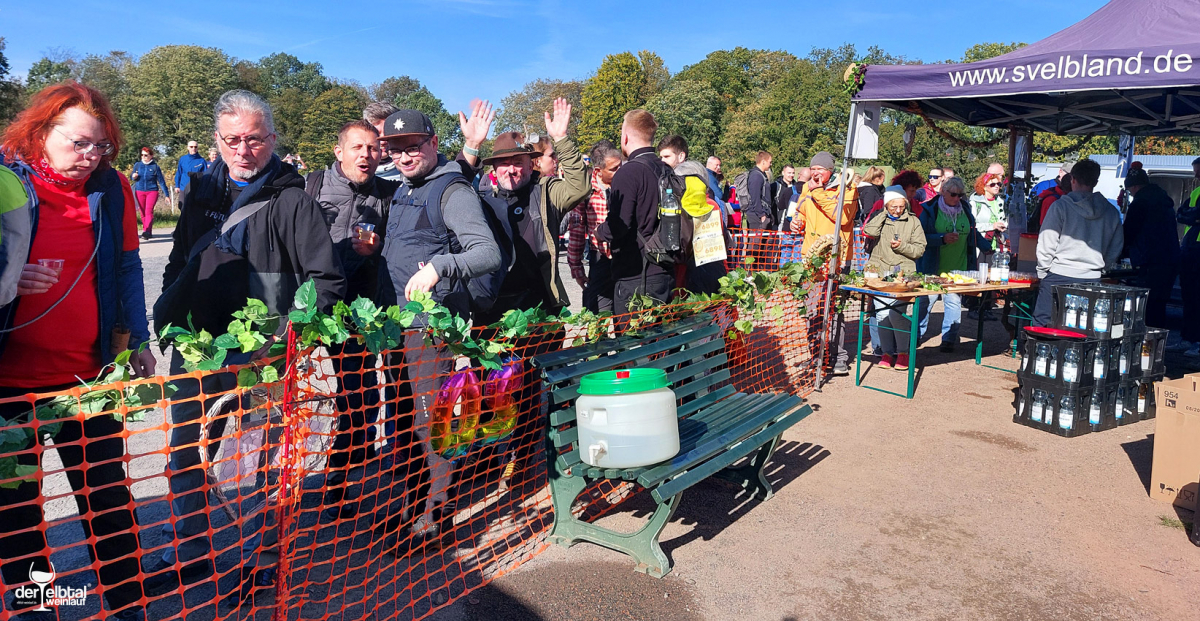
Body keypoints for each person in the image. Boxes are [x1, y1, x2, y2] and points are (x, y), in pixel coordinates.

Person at [150, 89, 347, 603]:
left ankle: (261, 556)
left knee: (261, 458)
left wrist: (282, 338)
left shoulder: (294, 200)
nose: (244, 149)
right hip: (197, 348)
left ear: (273, 140)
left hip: (264, 355)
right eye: (233, 139)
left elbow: (326, 281)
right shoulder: (200, 193)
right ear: (216, 140)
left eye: (255, 139)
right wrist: (171, 316)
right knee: (186, 451)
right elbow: (177, 261)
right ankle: (190, 549)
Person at [0, 81, 152, 621]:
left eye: (101, 145)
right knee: (17, 512)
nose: (91, 156)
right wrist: (9, 279)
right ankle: (38, 608)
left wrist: (138, 338)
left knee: (108, 501)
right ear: (41, 132)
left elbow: (128, 265)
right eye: (79, 143)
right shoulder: (5, 181)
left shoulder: (112, 186)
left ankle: (128, 605)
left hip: (87, 381)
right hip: (9, 387)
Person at [374, 107, 502, 545]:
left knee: (432, 424)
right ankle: (412, 507)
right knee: (405, 421)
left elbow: (487, 253)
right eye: (395, 150)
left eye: (412, 147)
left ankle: (436, 517)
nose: (403, 157)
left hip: (430, 330)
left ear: (432, 143)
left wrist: (441, 266)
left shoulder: (452, 190)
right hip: (397, 328)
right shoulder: (406, 189)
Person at [306, 120, 400, 520]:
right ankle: (272, 499)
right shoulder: (310, 187)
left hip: (358, 315)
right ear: (339, 151)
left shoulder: (388, 194)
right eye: (358, 147)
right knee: (281, 404)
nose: (366, 155)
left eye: (373, 148)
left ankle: (339, 482)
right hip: (310, 311)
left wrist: (377, 250)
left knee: (361, 401)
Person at [471, 98, 588, 325]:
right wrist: (472, 144)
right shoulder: (481, 200)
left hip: (540, 308)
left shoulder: (546, 192)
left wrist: (561, 139)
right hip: (493, 312)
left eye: (518, 161)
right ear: (494, 167)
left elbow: (579, 188)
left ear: (530, 163)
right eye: (504, 163)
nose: (511, 169)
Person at [594, 109, 678, 313]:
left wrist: (599, 232)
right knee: (661, 332)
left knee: (634, 334)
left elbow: (618, 225)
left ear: (625, 137)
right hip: (664, 268)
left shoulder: (628, 172)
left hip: (636, 275)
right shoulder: (666, 169)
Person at [789, 151, 858, 375]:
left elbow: (843, 218)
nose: (816, 173)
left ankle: (838, 359)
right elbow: (800, 212)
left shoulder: (847, 188)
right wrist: (797, 223)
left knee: (834, 309)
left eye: (820, 169)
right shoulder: (807, 188)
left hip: (837, 259)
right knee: (812, 310)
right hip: (811, 258)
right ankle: (815, 356)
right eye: (813, 169)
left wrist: (818, 192)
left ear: (830, 171)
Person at [1033, 158, 1124, 327]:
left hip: (1058, 274)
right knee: (1084, 329)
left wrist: (1043, 272)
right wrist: (1102, 267)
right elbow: (1115, 247)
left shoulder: (1060, 207)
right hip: (1092, 278)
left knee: (1044, 328)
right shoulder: (1111, 212)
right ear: (1095, 181)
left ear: (1072, 179)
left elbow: (1047, 241)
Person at [916, 176, 984, 351]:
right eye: (953, 194)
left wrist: (986, 246)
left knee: (953, 302)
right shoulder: (930, 210)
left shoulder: (965, 209)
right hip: (933, 267)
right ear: (943, 192)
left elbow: (973, 233)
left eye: (960, 195)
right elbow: (919, 237)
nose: (956, 198)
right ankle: (916, 335)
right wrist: (941, 239)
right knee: (925, 302)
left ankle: (949, 339)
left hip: (958, 267)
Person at [863, 186, 926, 370]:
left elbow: (920, 249)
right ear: (886, 205)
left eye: (901, 206)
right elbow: (870, 231)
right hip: (879, 272)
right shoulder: (880, 218)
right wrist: (884, 213)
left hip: (903, 274)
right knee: (882, 314)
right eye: (893, 206)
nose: (898, 210)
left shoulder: (913, 221)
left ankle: (903, 353)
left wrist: (902, 246)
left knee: (896, 315)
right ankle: (887, 353)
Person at [1121, 164, 1179, 329]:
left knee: (1146, 307)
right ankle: (1157, 339)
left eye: (1130, 190)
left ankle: (1145, 339)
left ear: (1134, 186)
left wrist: (1119, 252)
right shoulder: (1163, 200)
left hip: (1150, 262)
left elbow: (1129, 233)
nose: (1130, 193)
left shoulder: (1140, 203)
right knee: (1159, 306)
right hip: (1169, 260)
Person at [568, 142, 622, 311]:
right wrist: (577, 269)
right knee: (598, 313)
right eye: (613, 168)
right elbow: (576, 231)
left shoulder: (626, 184)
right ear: (598, 170)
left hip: (625, 257)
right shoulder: (586, 191)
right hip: (600, 258)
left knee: (625, 313)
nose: (619, 171)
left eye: (620, 166)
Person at [1173, 156, 1200, 356]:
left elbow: (1190, 215)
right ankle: (1188, 337)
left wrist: (1190, 215)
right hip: (1190, 247)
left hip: (1197, 249)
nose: (1196, 176)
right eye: (1195, 172)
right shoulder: (1196, 191)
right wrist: (1191, 215)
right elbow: (1182, 213)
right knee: (1189, 295)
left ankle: (1196, 341)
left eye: (1198, 172)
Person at [131, 146, 168, 239]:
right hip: (139, 190)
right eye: (142, 155)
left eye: (146, 155)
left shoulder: (155, 167)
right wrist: (134, 176)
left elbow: (161, 181)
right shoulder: (138, 165)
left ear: (151, 156)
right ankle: (147, 231)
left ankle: (146, 231)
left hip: (152, 191)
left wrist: (167, 195)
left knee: (148, 211)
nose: (143, 157)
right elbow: (133, 177)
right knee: (142, 212)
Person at [363, 101, 403, 181]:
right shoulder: (351, 174)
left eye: (388, 133)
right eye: (376, 133)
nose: (383, 141)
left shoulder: (414, 172)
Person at [1035, 163, 1073, 229]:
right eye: (1068, 174)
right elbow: (1046, 226)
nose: (1071, 178)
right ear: (1060, 171)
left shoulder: (1063, 196)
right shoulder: (1051, 198)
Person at [744, 150, 774, 230]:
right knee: (757, 238)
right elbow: (755, 197)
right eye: (770, 162)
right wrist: (761, 214)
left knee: (767, 237)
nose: (771, 164)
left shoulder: (761, 175)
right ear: (763, 161)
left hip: (762, 213)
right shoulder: (756, 176)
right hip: (756, 216)